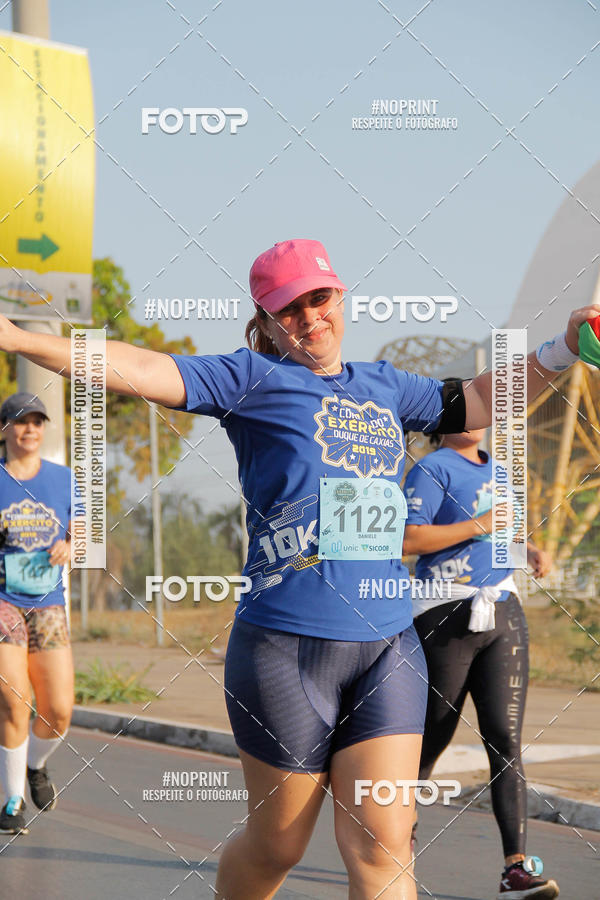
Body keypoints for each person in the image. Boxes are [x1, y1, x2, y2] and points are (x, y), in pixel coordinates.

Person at [0, 238, 592, 897]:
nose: (310, 318)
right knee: (278, 844)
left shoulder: (387, 385)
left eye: (320, 299)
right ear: (265, 320)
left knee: (382, 841)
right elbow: (135, 365)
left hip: (388, 648)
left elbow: (478, 402)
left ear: (340, 298)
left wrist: (562, 349)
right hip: (285, 650)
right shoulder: (250, 381)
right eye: (290, 309)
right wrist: (19, 339)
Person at [403, 424, 559, 899]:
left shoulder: (505, 471)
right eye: (459, 412)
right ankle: (393, 838)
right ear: (440, 425)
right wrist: (480, 525)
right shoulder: (429, 470)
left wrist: (528, 548)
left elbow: (502, 535)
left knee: (505, 739)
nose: (473, 420)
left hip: (503, 609)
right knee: (433, 736)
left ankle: (516, 870)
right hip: (444, 611)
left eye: (476, 410)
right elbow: (408, 540)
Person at [0, 392, 72, 835]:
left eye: (37, 421)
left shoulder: (64, 479)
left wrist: (70, 545)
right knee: (15, 701)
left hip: (48, 603)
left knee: (59, 710)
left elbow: (83, 530)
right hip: (3, 601)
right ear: (5, 429)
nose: (30, 429)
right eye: (20, 421)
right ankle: (11, 801)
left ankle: (36, 766)